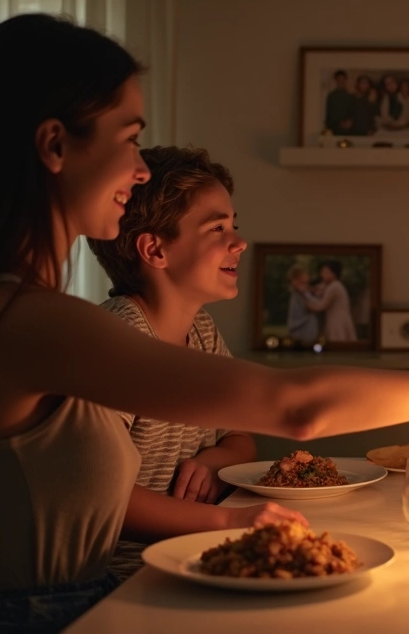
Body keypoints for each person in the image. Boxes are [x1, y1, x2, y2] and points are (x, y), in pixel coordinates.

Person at [0, 15, 409, 633]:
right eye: (130, 139)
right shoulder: (29, 323)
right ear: (55, 145)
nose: (138, 172)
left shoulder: (21, 314)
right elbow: (293, 406)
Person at [86, 146, 303, 581]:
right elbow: (100, 497)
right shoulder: (119, 343)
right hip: (120, 579)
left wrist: (215, 460)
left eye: (234, 225)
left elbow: (240, 435)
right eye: (217, 228)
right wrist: (231, 521)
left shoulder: (201, 331)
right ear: (155, 250)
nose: (239, 242)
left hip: (189, 558)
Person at [286, 264, 321, 345]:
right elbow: (314, 305)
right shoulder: (299, 295)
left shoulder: (304, 293)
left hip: (307, 329)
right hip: (301, 330)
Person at [323, 69, 354, 135]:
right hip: (334, 129)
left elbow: (352, 112)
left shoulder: (350, 96)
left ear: (346, 80)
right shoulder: (331, 96)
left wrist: (349, 121)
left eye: (343, 80)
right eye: (339, 80)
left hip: (348, 131)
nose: (341, 82)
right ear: (336, 81)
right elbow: (329, 115)